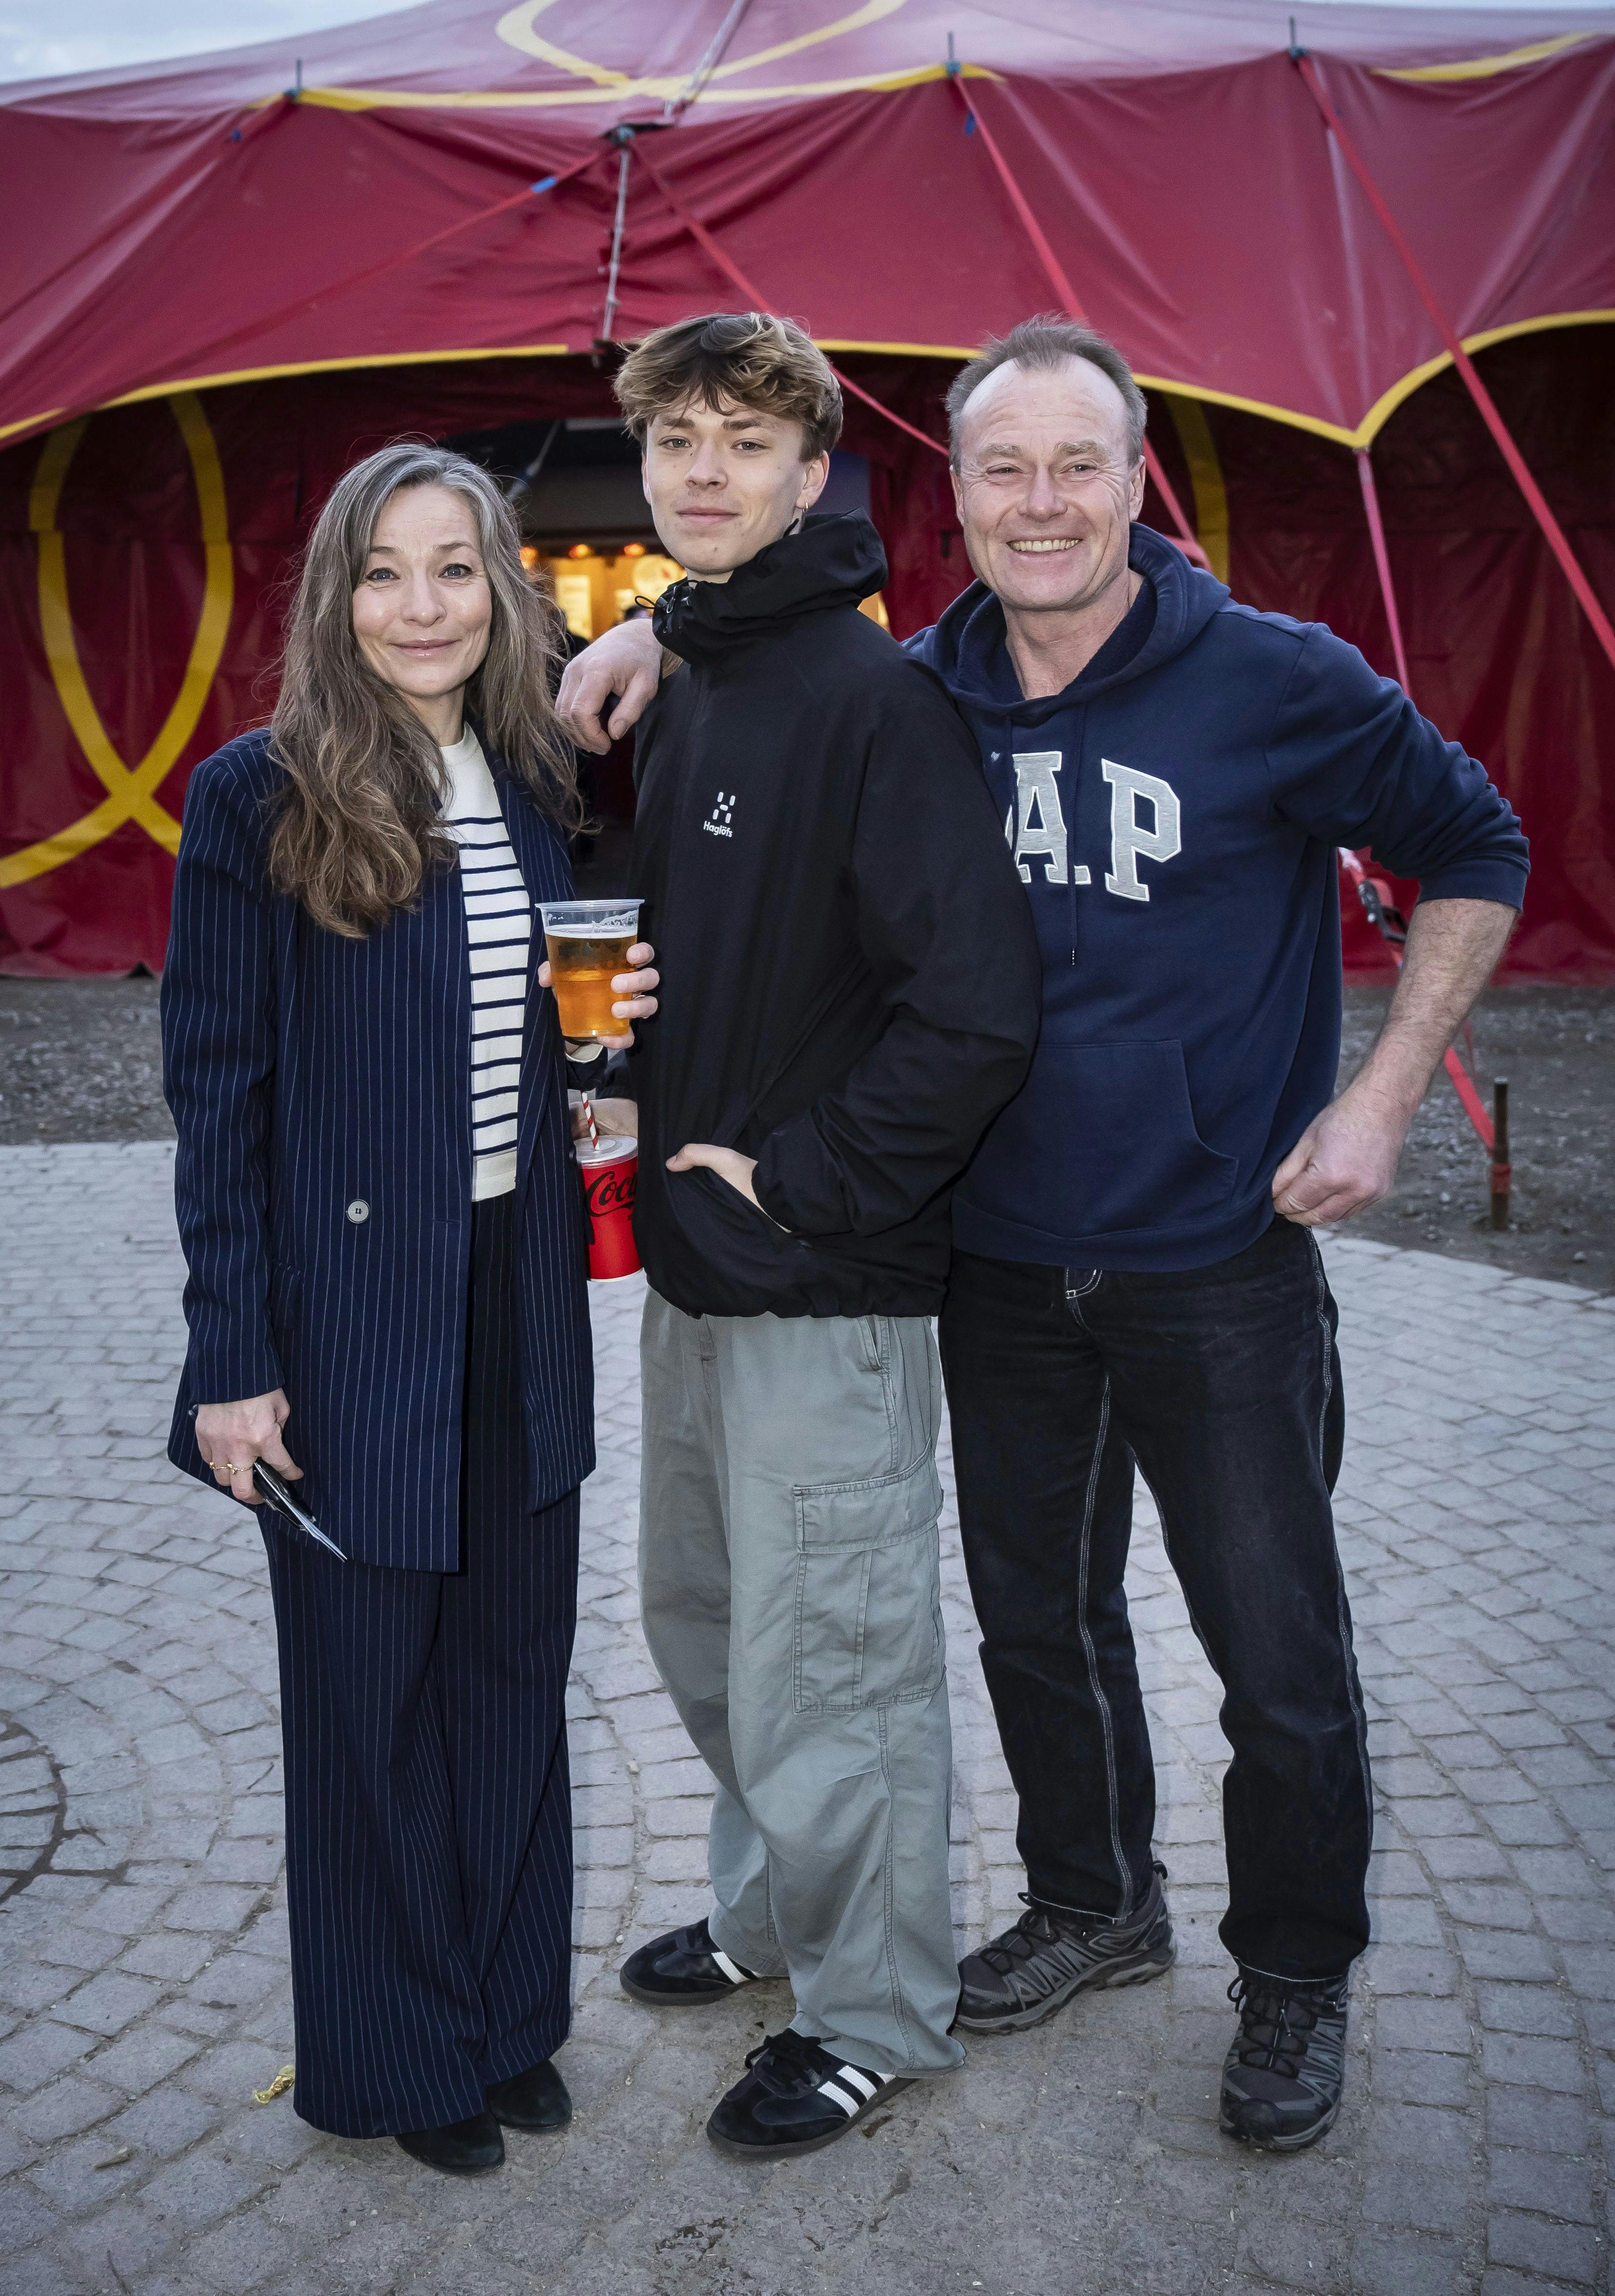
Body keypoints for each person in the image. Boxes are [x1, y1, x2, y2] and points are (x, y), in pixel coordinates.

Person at [560, 314, 1529, 2153]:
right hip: (996, 1253)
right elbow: (769, 628)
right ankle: (1096, 1902)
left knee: (1277, 1649)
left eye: (1076, 463)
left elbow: (1473, 845)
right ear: (956, 489)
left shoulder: (1268, 675)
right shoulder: (938, 681)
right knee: (1038, 1626)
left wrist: (1386, 1090)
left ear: (1136, 474)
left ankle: (1296, 1971)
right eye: (1001, 468)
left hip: (1214, 1252)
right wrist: (640, 628)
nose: (1039, 502)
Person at [162, 442, 659, 2177]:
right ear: (335, 594)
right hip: (349, 1313)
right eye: (387, 570)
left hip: (518, 1289)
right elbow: (217, 1095)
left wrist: (606, 1058)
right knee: (370, 1702)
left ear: (505, 588)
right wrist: (233, 1359)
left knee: (514, 1672)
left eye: (459, 568)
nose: (425, 605)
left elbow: (540, 1038)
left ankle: (506, 2015)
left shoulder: (537, 774)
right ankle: (395, 2054)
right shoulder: (255, 794)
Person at [595, 312, 1040, 2159]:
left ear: (808, 471)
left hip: (825, 1286)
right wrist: (636, 1069)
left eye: (743, 441)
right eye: (674, 440)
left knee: (832, 1660)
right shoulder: (695, 671)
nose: (704, 470)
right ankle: (778, 1912)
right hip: (704, 1275)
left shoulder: (873, 703)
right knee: (706, 1628)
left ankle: (873, 2008)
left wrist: (813, 1177)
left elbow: (978, 1010)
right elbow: (754, 962)